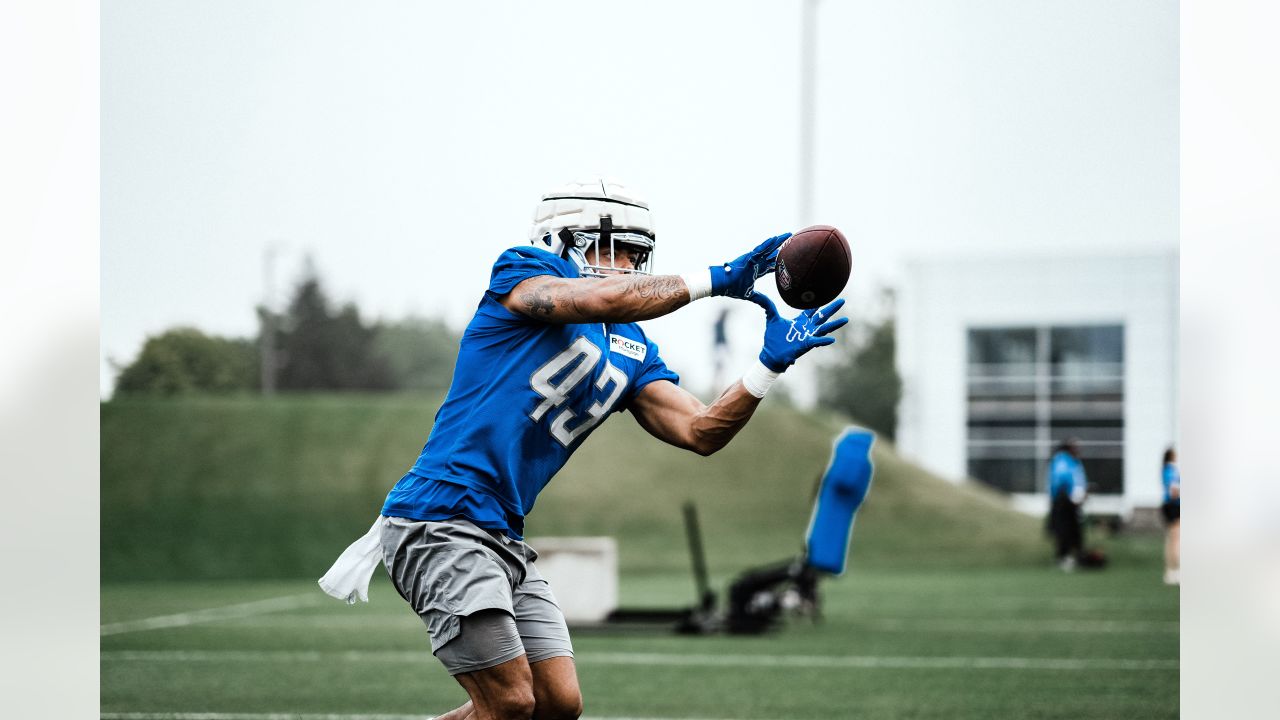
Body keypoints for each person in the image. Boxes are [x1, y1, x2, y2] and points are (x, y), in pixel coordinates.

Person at [345, 178, 848, 720]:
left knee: (557, 705)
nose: (629, 264)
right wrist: (719, 278)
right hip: (439, 516)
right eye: (615, 247)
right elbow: (607, 297)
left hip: (500, 532)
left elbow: (701, 432)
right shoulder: (521, 273)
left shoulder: (633, 347)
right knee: (511, 701)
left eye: (637, 253)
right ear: (560, 240)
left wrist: (765, 370)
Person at [1047, 438, 1087, 571]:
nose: (1078, 449)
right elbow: (1062, 480)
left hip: (1074, 501)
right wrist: (1071, 497)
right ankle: (1063, 557)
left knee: (1075, 530)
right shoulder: (1062, 460)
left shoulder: (1074, 461)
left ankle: (1077, 555)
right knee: (1064, 530)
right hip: (1064, 500)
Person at [1161, 446, 1180, 585]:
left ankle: (1171, 570)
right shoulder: (1170, 470)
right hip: (1173, 505)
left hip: (1171, 505)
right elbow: (1174, 491)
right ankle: (1173, 570)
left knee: (1172, 539)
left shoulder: (1168, 470)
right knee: (1175, 539)